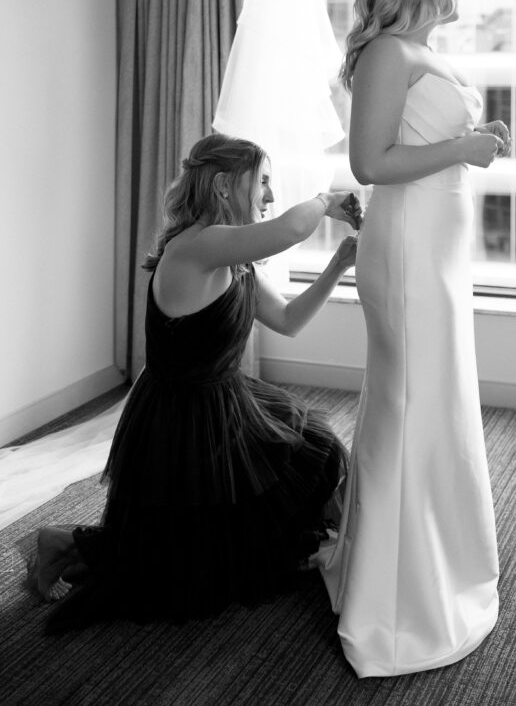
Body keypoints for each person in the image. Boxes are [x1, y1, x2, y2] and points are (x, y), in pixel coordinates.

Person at [29, 133, 361, 631]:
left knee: (312, 448)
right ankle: (63, 542)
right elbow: (291, 228)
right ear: (225, 184)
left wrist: (338, 265)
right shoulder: (197, 245)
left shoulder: (231, 254)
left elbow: (289, 321)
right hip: (181, 416)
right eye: (263, 183)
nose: (269, 196)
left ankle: (76, 545)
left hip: (226, 398)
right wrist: (327, 199)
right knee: (176, 568)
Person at [314, 0, 511, 678]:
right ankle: (389, 611)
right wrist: (462, 149)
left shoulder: (426, 56)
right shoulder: (387, 55)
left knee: (431, 402)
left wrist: (473, 135)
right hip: (406, 253)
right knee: (406, 402)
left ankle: (425, 564)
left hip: (437, 252)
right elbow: (371, 163)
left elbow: (418, 142)